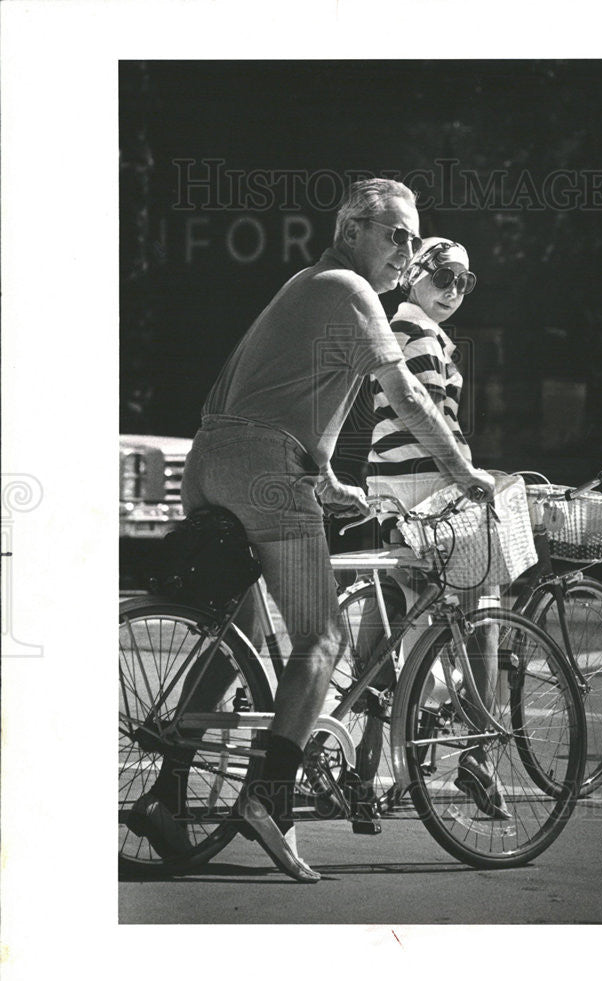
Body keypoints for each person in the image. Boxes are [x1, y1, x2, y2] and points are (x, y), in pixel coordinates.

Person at [130, 179, 495, 882]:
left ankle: (168, 801)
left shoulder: (307, 285)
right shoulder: (349, 289)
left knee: (229, 639)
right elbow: (410, 398)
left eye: (417, 240)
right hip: (264, 472)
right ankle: (268, 803)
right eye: (398, 235)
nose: (409, 252)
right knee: (322, 641)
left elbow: (286, 390)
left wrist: (326, 477)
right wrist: (464, 472)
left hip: (213, 461)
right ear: (355, 227)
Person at [361, 236, 511, 819]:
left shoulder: (407, 330)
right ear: (415, 274)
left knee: (394, 620)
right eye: (444, 276)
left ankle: (367, 770)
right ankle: (478, 752)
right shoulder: (417, 334)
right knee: (483, 614)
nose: (454, 291)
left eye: (465, 283)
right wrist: (470, 474)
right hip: (426, 488)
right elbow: (423, 416)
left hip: (392, 492)